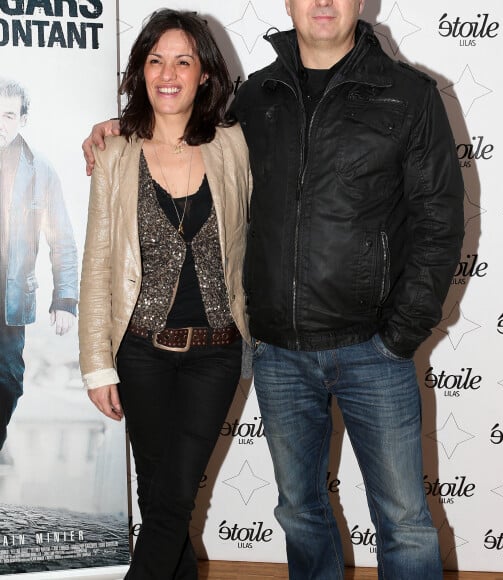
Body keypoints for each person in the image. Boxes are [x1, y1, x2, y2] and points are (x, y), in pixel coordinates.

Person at [83, 1, 464, 578]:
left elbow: (439, 223)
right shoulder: (253, 100)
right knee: (299, 513)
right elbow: (179, 126)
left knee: (405, 520)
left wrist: (400, 335)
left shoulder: (408, 95)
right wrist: (113, 127)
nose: (323, 3)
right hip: (278, 354)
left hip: (372, 351)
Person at [78, 9, 251, 580]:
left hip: (215, 352)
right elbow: (98, 262)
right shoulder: (115, 152)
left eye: (183, 59)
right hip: (141, 352)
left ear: (204, 74)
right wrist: (97, 366)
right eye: (155, 60)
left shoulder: (233, 144)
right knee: (159, 500)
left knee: (173, 499)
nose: (168, 72)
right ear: (140, 72)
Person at [0, 78, 78, 454]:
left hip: (9, 301)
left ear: (23, 119)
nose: (1, 123)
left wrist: (64, 300)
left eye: (9, 115)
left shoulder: (40, 170)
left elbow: (61, 238)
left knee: (8, 382)